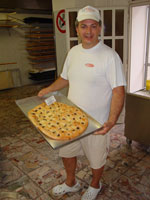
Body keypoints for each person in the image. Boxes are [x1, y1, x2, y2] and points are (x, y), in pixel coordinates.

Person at [38, 5, 126, 200]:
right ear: (77, 29)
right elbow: (65, 78)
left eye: (93, 26)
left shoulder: (110, 57)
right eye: (84, 26)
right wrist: (49, 89)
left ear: (100, 28)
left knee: (96, 159)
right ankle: (71, 182)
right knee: (67, 153)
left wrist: (111, 121)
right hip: (70, 119)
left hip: (96, 122)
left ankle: (95, 185)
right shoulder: (73, 52)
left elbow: (119, 91)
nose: (88, 31)